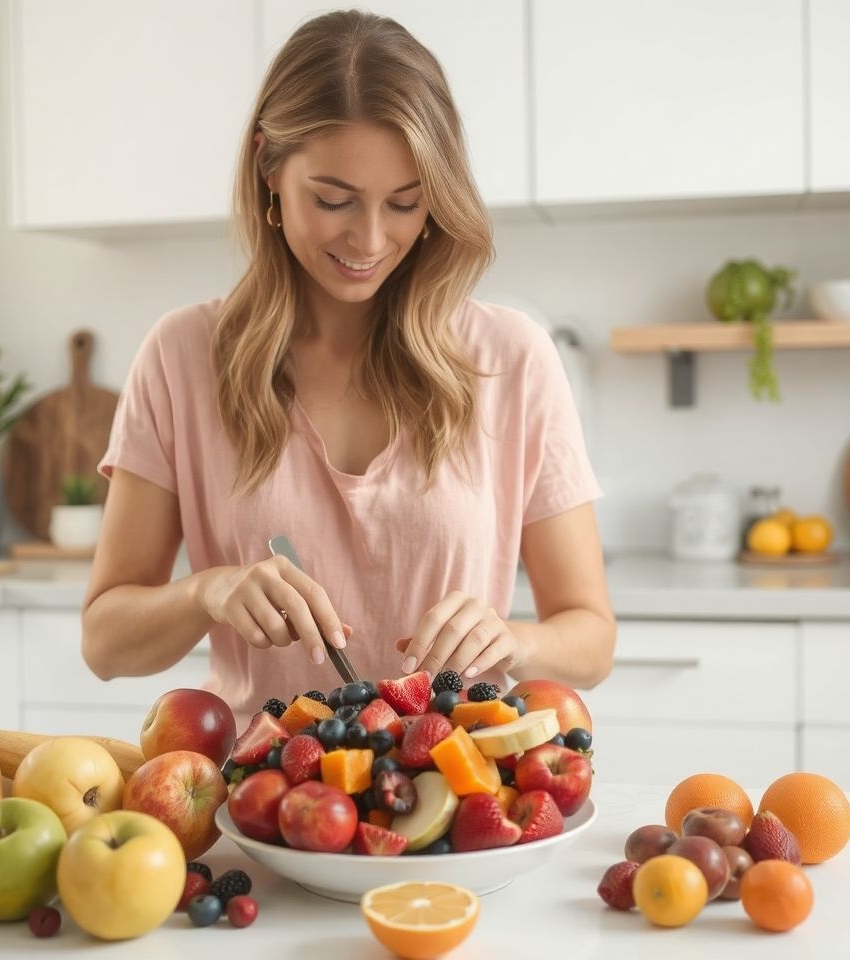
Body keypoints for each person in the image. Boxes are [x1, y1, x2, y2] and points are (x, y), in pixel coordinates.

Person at [82, 10, 614, 723]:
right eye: (334, 200)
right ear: (268, 167)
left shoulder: (511, 357)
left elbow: (592, 637)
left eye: (405, 203)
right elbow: (105, 644)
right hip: (260, 784)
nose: (369, 240)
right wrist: (206, 592)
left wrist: (515, 641)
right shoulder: (182, 356)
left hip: (450, 784)